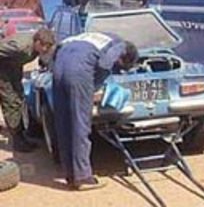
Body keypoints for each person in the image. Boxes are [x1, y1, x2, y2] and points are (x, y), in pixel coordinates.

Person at [52, 32, 138, 191]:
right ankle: (83, 177)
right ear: (124, 57)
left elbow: (55, 53)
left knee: (64, 123)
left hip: (59, 68)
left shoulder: (89, 36)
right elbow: (105, 65)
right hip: (78, 71)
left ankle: (71, 175)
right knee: (80, 124)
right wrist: (95, 88)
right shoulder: (120, 45)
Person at [0, 28, 56, 152]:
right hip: (3, 73)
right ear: (37, 42)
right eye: (43, 46)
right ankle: (18, 140)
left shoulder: (38, 46)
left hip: (12, 70)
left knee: (19, 99)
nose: (45, 50)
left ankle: (21, 134)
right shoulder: (20, 46)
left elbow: (45, 58)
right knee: (12, 103)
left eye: (48, 47)